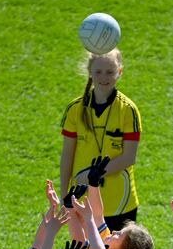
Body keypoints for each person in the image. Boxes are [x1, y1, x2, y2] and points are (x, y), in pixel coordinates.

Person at [60, 49, 142, 231]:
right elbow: (67, 155)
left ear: (120, 72)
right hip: (82, 201)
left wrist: (91, 175)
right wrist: (63, 195)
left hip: (119, 203)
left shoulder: (128, 110)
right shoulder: (75, 109)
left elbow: (129, 157)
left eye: (110, 72)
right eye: (98, 72)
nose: (104, 77)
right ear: (89, 71)